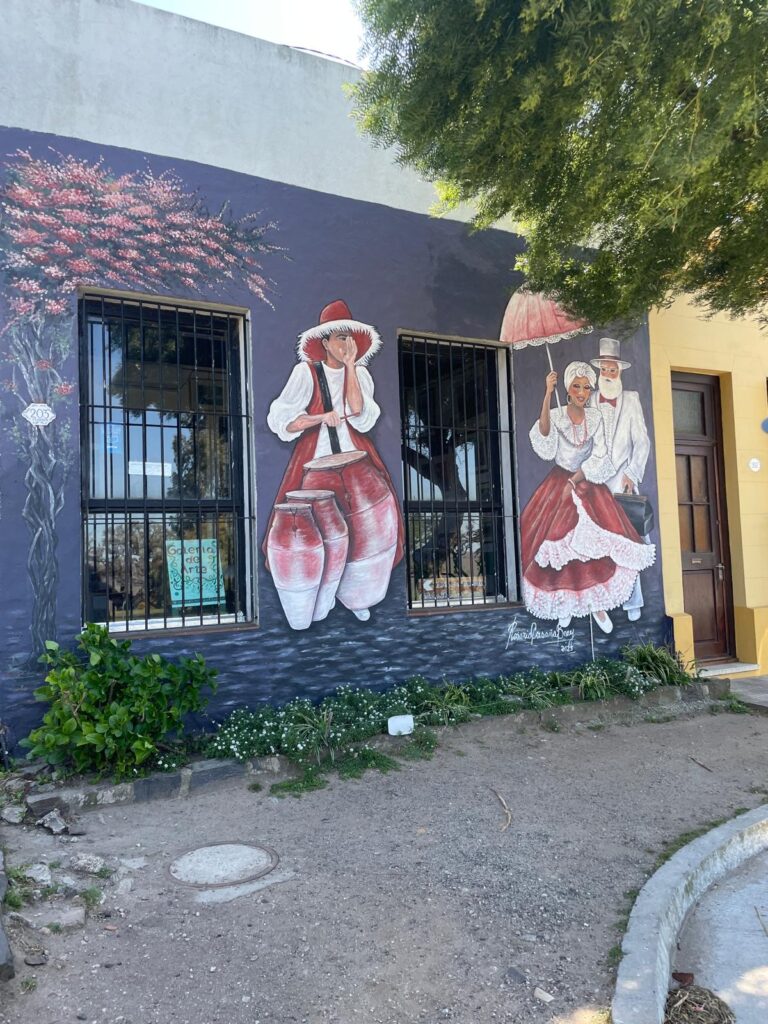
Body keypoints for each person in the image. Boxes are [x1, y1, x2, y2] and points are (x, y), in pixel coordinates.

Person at [264, 299, 404, 620]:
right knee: (321, 531)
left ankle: (358, 596)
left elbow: (361, 415)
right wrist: (319, 418)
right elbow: (283, 420)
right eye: (339, 338)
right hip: (316, 466)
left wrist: (353, 366)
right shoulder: (306, 373)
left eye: (348, 337)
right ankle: (324, 596)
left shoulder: (361, 375)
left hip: (356, 462)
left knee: (366, 525)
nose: (345, 344)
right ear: (324, 342)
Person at [521, 360, 655, 633]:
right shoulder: (557, 414)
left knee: (597, 542)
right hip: (557, 486)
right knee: (558, 545)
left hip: (587, 482)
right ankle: (565, 605)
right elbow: (545, 438)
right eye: (576, 386)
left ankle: (597, 604)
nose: (581, 392)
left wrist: (576, 479)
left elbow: (599, 455)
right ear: (567, 389)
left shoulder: (595, 417)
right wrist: (547, 393)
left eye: (585, 387)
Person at [589, 337, 651, 622]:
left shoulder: (632, 400)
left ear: (620, 371)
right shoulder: (588, 400)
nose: (608, 374)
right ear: (599, 370)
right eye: (604, 370)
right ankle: (600, 602)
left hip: (621, 484)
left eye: (613, 370)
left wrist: (632, 473)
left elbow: (643, 443)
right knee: (596, 546)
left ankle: (632, 600)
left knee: (628, 545)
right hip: (594, 484)